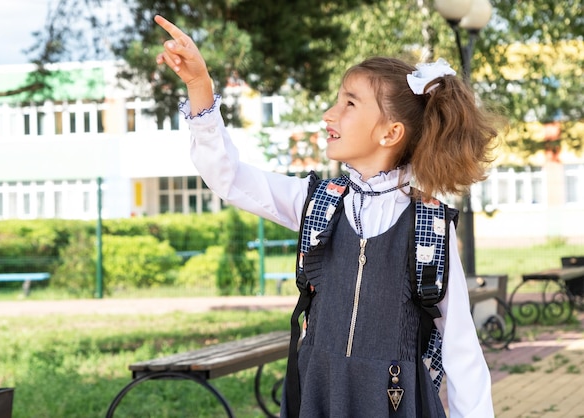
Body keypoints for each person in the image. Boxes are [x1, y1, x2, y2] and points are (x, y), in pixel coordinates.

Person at [154, 14, 498, 418]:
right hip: (318, 396)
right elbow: (228, 177)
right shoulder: (318, 203)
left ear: (390, 133)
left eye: (349, 104)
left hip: (394, 405)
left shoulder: (430, 229)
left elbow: (461, 353)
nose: (329, 115)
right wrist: (199, 86)